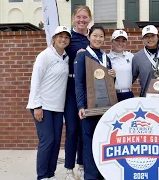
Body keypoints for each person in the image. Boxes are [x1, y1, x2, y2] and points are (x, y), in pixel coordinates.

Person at [26, 26, 71, 180]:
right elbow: (35, 82)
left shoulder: (66, 57)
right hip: (42, 106)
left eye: (66, 37)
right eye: (60, 36)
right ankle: (42, 175)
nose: (63, 39)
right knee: (47, 140)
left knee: (56, 141)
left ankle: (50, 174)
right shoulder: (44, 56)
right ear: (53, 38)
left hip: (57, 108)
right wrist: (37, 106)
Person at [74, 24, 115, 180]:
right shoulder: (82, 56)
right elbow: (78, 83)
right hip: (89, 108)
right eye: (95, 35)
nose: (98, 39)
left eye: (101, 36)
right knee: (89, 142)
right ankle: (91, 176)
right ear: (89, 37)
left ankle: (103, 175)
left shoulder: (106, 57)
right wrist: (81, 106)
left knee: (104, 142)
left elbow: (108, 83)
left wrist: (112, 75)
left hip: (105, 108)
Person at [64, 5, 91, 180]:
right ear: (74, 18)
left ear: (90, 18)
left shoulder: (93, 37)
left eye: (85, 17)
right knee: (72, 129)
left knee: (84, 130)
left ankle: (82, 165)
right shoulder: (68, 38)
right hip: (72, 88)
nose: (81, 20)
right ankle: (68, 168)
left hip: (89, 89)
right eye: (78, 17)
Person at [132, 25, 159, 97]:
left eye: (152, 36)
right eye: (146, 36)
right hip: (146, 98)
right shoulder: (137, 57)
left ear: (157, 37)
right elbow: (131, 79)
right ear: (143, 39)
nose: (150, 39)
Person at [108, 30, 134, 101]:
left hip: (128, 94)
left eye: (123, 41)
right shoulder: (106, 58)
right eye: (117, 40)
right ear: (112, 41)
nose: (120, 43)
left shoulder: (131, 57)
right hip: (112, 95)